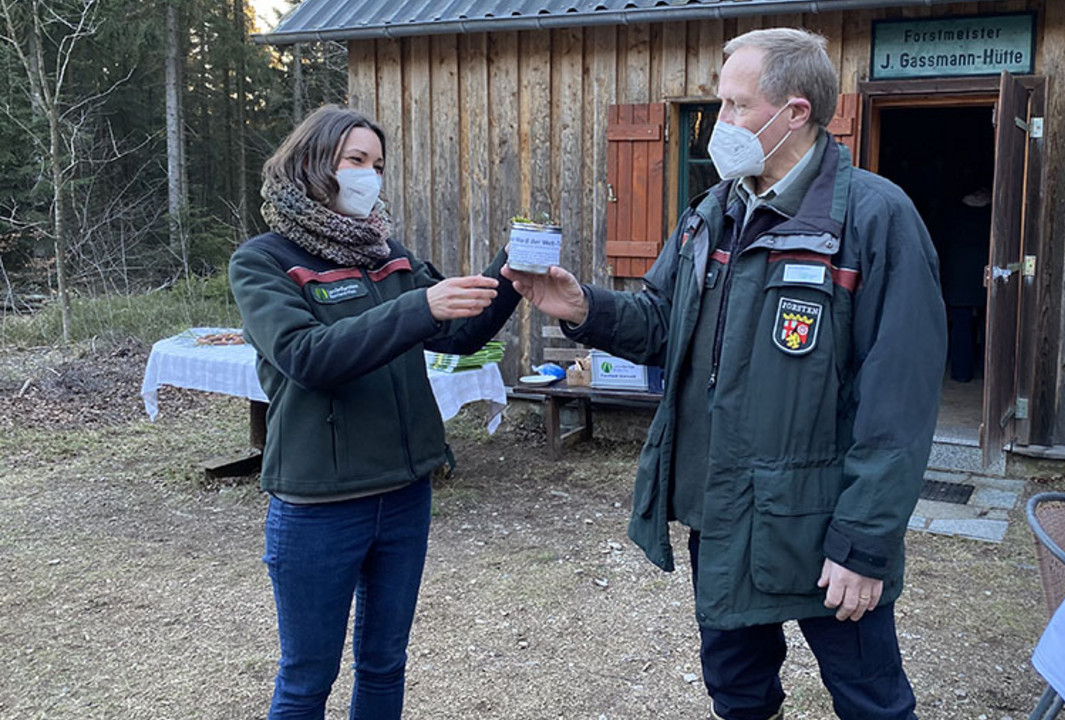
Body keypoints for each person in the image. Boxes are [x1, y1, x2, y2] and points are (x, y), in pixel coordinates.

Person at [504, 28, 944, 720]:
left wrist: (865, 544)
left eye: (736, 105)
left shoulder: (874, 218)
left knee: (873, 703)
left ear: (794, 113)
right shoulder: (715, 211)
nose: (721, 123)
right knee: (737, 696)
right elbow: (660, 321)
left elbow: (900, 402)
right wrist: (581, 306)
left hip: (819, 520)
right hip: (724, 511)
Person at [228, 105, 521, 720]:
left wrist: (510, 273)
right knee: (307, 679)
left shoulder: (388, 253)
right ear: (313, 165)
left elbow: (460, 336)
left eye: (378, 165)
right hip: (319, 504)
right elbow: (305, 357)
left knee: (385, 666)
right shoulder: (264, 260)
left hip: (405, 492)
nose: (370, 176)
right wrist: (420, 308)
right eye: (356, 161)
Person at [938, 185, 991, 383]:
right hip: (989, 273)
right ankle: (990, 375)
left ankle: (961, 373)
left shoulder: (953, 214)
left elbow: (942, 242)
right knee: (991, 325)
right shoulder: (994, 214)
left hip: (958, 274)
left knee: (961, 325)